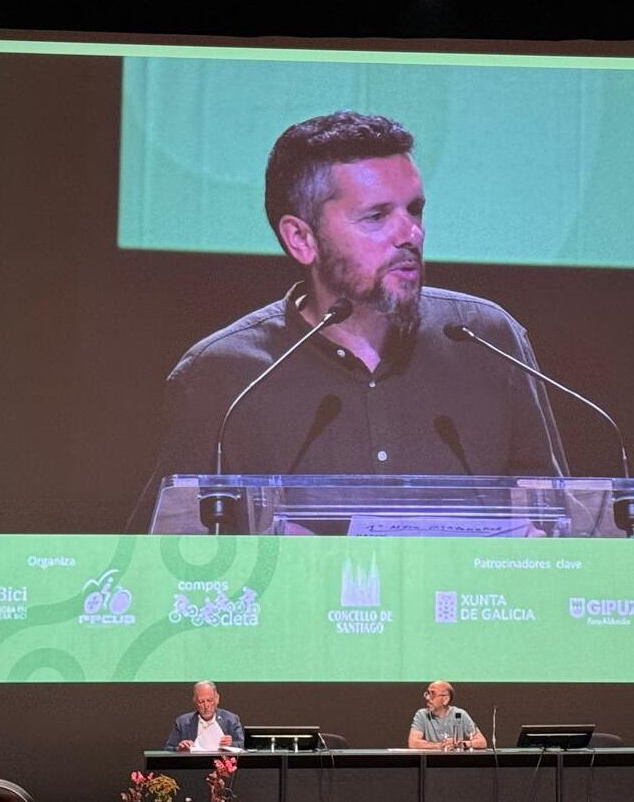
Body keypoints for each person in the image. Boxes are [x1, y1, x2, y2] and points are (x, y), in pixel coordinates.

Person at [131, 110, 566, 532]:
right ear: (301, 239)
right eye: (377, 216)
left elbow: (558, 523)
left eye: (415, 210)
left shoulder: (485, 340)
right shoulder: (224, 374)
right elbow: (168, 555)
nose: (411, 234)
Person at [165, 681, 245, 751]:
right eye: (201, 701)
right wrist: (179, 748)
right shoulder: (182, 723)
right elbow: (168, 749)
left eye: (209, 700)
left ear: (217, 699)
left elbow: (242, 745)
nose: (206, 706)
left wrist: (231, 744)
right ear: (195, 702)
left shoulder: (231, 720)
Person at [408, 680, 487, 750]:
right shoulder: (422, 715)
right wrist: (440, 745)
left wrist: (461, 744)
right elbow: (413, 742)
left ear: (446, 699)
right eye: (427, 693)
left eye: (432, 694)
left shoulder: (459, 714)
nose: (428, 698)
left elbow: (482, 742)